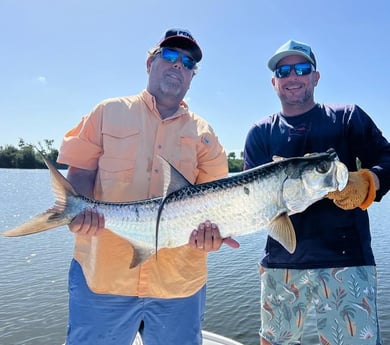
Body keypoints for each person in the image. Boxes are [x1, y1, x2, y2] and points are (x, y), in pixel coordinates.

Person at [57, 28, 239, 345]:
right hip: (104, 278)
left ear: (193, 75)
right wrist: (81, 209)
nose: (178, 65)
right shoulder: (107, 112)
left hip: (179, 285)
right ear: (150, 62)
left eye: (188, 62)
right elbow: (81, 170)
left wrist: (213, 235)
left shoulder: (205, 135)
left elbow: (215, 206)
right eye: (170, 56)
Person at [244, 39, 390, 345]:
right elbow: (250, 203)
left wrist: (370, 181)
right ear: (274, 82)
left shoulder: (347, 117)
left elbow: (387, 158)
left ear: (316, 76)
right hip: (281, 264)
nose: (293, 76)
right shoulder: (260, 133)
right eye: (284, 71)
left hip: (347, 262)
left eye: (302, 68)